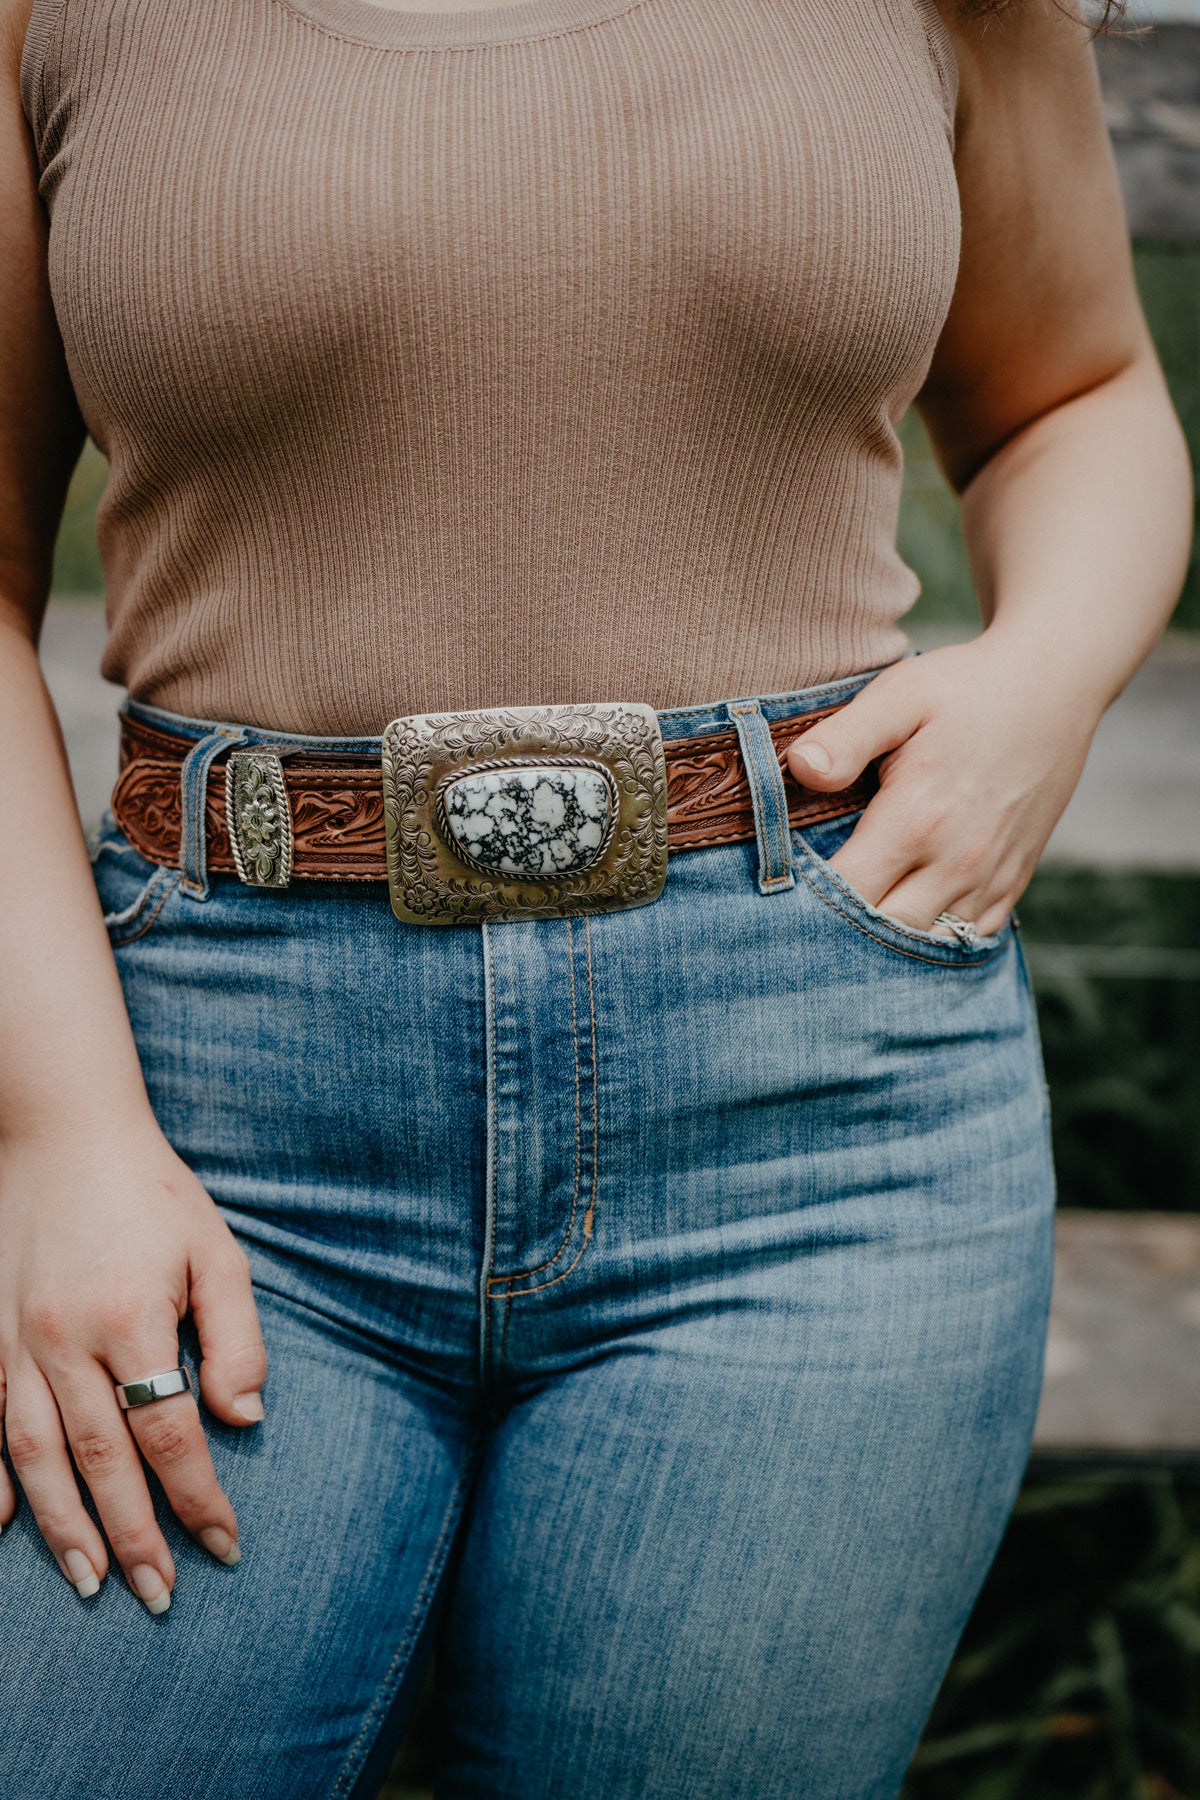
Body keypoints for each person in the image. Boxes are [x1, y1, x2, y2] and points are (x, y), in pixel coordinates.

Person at [0, 0, 1191, 1789]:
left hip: (814, 1128)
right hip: (205, 1126)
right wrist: (59, 1135)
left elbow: (1074, 396)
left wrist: (1046, 679)